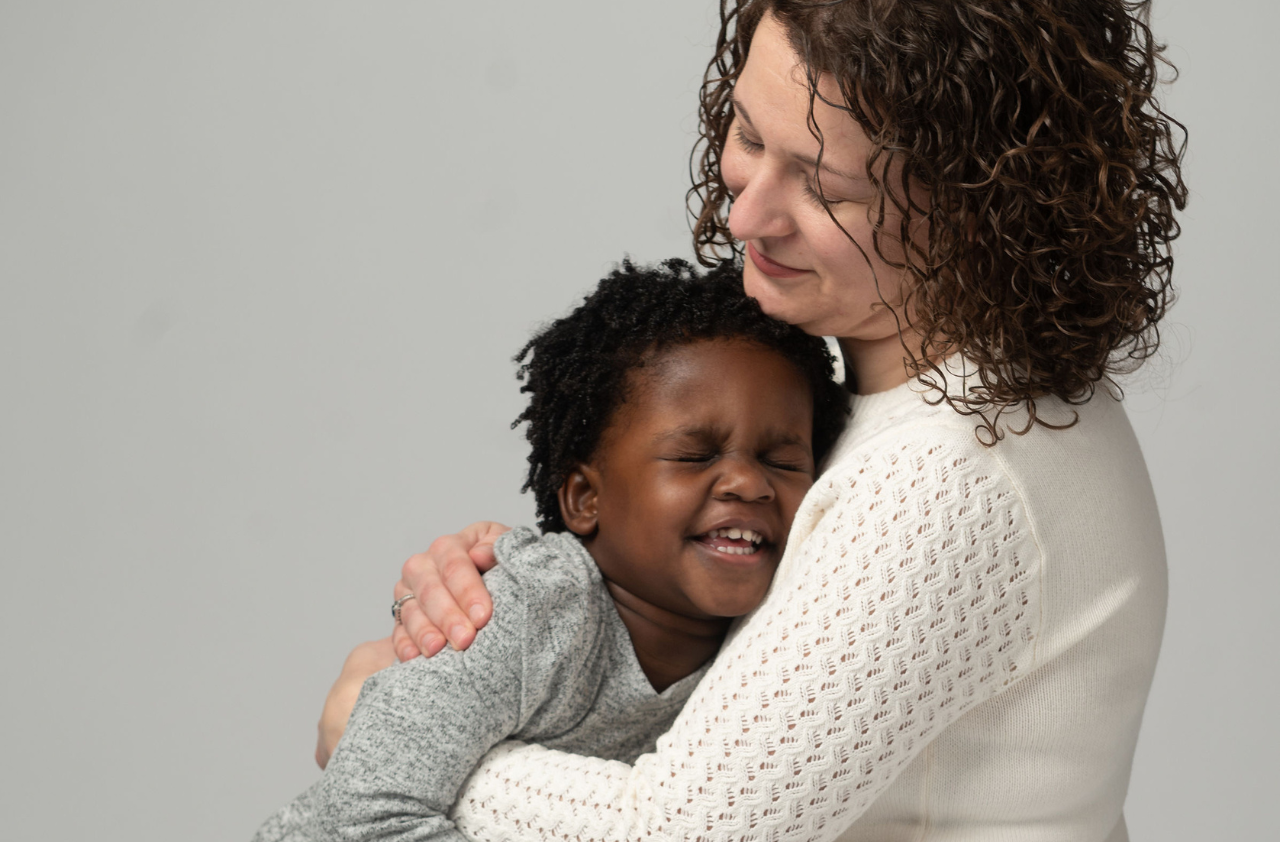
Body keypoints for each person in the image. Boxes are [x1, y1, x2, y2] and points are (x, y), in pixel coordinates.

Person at [319, 1, 1187, 839]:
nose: (744, 214)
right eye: (748, 134)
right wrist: (508, 597)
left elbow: (682, 834)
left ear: (978, 207)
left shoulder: (944, 477)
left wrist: (390, 736)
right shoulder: (925, 392)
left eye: (824, 186)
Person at [254, 259, 850, 841]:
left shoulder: (773, 638)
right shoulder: (532, 610)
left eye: (782, 460)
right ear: (585, 499)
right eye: (694, 456)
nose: (748, 483)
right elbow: (365, 809)